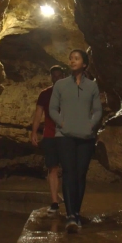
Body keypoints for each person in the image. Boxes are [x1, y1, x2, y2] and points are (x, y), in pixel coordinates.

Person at [49, 49, 102, 233]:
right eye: (70, 58)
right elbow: (52, 109)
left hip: (86, 137)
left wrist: (90, 126)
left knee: (80, 175)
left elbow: (97, 111)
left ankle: (76, 212)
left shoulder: (92, 86)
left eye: (76, 58)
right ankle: (71, 215)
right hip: (65, 136)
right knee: (69, 173)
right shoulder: (61, 85)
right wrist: (62, 123)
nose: (72, 61)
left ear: (84, 64)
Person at [30, 65, 67, 213]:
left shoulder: (70, 92)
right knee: (52, 168)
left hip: (66, 136)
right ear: (51, 77)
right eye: (54, 76)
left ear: (63, 76)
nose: (57, 78)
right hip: (50, 136)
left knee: (68, 169)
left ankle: (68, 198)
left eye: (59, 76)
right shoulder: (45, 94)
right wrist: (34, 132)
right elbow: (38, 114)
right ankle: (54, 202)